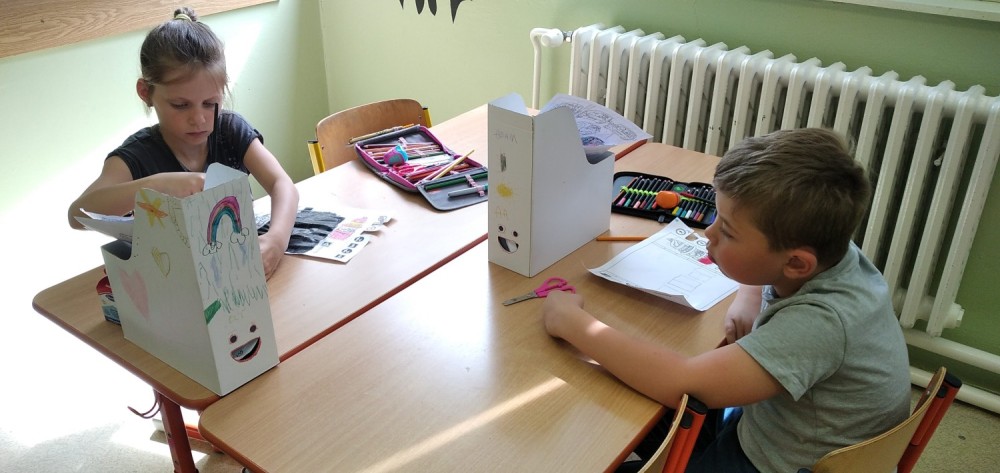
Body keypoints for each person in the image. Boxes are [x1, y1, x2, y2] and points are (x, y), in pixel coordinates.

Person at [542, 128, 911, 472]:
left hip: (769, 461)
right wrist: (750, 293)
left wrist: (575, 325)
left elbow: (680, 383)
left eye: (729, 232)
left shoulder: (821, 324)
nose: (709, 231)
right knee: (631, 400)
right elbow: (775, 263)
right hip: (780, 427)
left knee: (613, 425)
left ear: (797, 263)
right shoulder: (830, 252)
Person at [68, 7, 298, 279]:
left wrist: (276, 240)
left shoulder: (230, 131)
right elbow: (77, 215)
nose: (199, 119)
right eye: (180, 105)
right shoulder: (137, 155)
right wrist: (157, 186)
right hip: (171, 280)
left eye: (210, 103)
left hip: (236, 273)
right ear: (146, 92)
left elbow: (283, 185)